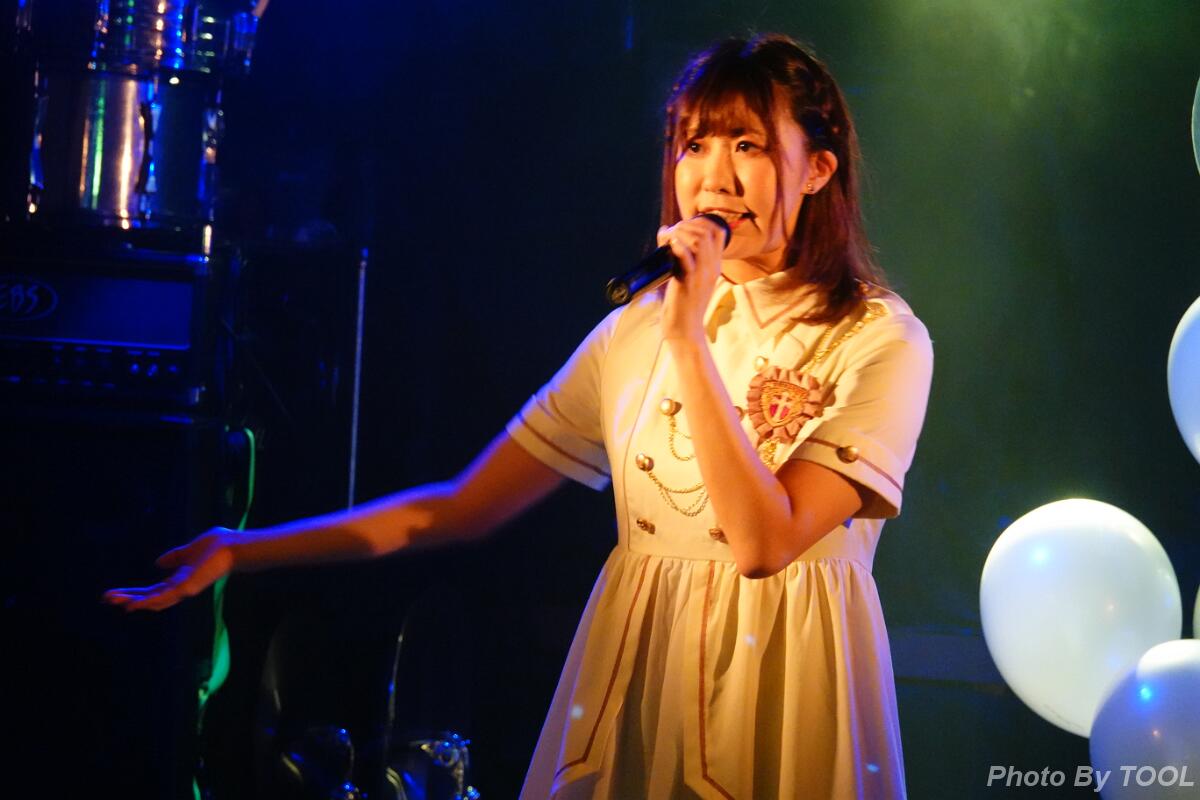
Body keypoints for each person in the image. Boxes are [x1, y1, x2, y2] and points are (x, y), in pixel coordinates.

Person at [107, 33, 932, 800]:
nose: (713, 177)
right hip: (643, 676)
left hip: (784, 684)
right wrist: (242, 549)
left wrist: (687, 335)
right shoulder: (635, 331)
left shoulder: (876, 337)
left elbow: (763, 542)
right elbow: (459, 508)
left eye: (746, 145)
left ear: (818, 168)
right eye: (693, 145)